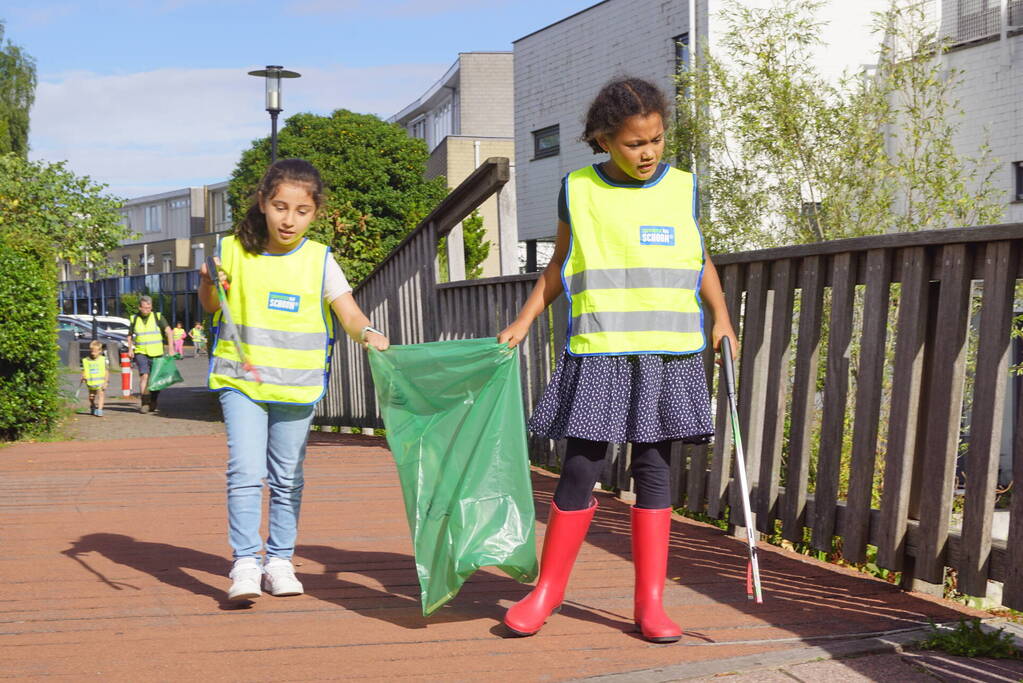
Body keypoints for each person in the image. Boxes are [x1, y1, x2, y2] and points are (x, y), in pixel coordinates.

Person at [496, 77, 738, 643]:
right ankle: (546, 592)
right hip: (601, 349)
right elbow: (560, 264)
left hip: (669, 354)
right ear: (604, 140)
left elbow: (698, 259)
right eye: (635, 143)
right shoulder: (576, 188)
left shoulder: (684, 187)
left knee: (654, 469)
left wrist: (722, 317)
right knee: (581, 465)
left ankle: (649, 603)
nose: (649, 152)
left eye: (656, 139)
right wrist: (526, 318)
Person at [199, 158, 389, 603]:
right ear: (263, 203)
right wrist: (207, 281)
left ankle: (279, 560)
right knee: (245, 472)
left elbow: (350, 313)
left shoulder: (320, 259)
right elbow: (210, 305)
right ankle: (245, 562)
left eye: (301, 211)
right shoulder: (229, 251)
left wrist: (369, 334)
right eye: (280, 207)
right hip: (241, 381)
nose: (289, 219)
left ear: (315, 213)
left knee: (287, 478)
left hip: (297, 387)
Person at [127, 295, 173, 414]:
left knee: (155, 380)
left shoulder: (158, 317)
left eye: (149, 307)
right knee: (144, 376)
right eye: (144, 308)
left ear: (151, 307)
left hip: (157, 353)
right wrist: (130, 349)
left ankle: (153, 400)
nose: (147, 310)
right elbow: (129, 335)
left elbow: (168, 331)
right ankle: (145, 403)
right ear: (140, 307)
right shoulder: (134, 318)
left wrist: (171, 349)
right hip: (141, 352)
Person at [81, 339, 108, 417]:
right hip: (91, 382)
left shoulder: (102, 360)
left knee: (101, 395)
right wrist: (83, 376)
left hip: (100, 382)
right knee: (91, 397)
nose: (93, 353)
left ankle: (100, 410)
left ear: (100, 351)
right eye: (92, 351)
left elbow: (106, 371)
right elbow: (84, 370)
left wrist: (106, 382)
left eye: (95, 351)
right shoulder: (86, 360)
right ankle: (92, 405)